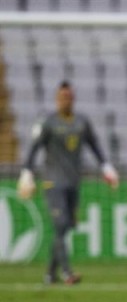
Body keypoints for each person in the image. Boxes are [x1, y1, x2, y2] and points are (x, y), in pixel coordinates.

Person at [17, 80, 119, 285]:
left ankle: (49, 275)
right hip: (52, 183)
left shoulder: (82, 122)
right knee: (61, 224)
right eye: (63, 97)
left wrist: (107, 168)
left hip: (73, 183)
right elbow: (34, 149)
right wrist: (26, 175)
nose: (66, 100)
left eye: (69, 97)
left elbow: (95, 145)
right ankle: (66, 272)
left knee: (64, 228)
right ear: (57, 99)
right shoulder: (48, 123)